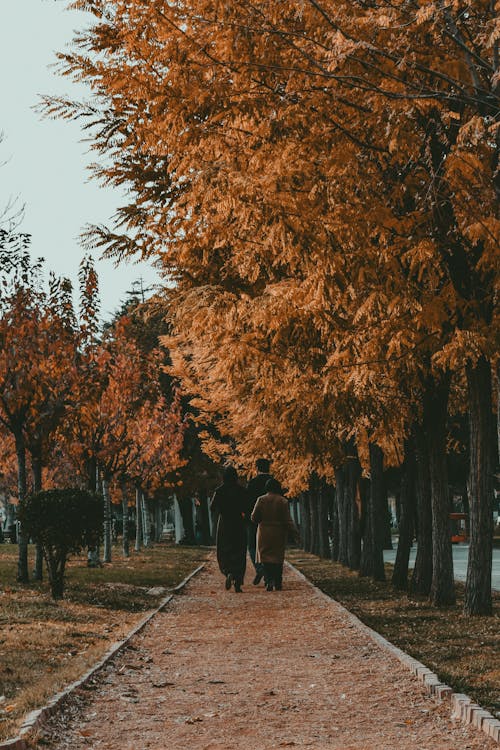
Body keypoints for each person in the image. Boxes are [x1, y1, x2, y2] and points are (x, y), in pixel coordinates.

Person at [251, 477, 298, 591]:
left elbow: (254, 517)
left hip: (264, 532)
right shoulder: (283, 501)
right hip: (278, 532)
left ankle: (268, 580)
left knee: (266, 558)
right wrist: (294, 532)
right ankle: (278, 582)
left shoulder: (261, 500)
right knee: (277, 559)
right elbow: (287, 520)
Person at [210, 466, 248, 592]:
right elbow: (247, 507)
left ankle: (227, 571)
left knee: (224, 549)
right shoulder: (241, 491)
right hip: (238, 522)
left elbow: (212, 507)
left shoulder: (219, 491)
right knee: (239, 550)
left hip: (224, 522)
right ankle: (237, 581)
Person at [245, 458, 272, 585]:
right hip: (271, 521)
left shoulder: (252, 483)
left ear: (257, 468)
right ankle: (269, 576)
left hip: (254, 521)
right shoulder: (274, 482)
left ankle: (259, 568)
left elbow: (247, 503)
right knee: (269, 548)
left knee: (252, 546)